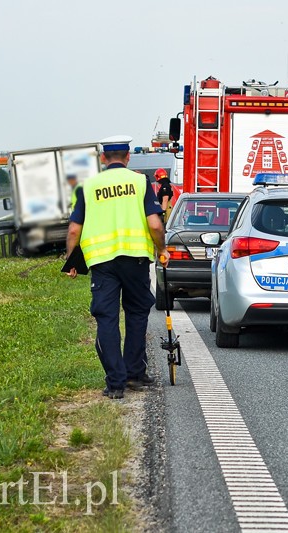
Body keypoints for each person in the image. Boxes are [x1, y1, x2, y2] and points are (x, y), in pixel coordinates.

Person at [65, 135, 169, 400]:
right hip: (135, 260)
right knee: (136, 314)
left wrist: (71, 261)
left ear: (103, 158)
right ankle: (135, 374)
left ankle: (115, 383)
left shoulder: (88, 187)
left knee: (107, 319)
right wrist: (162, 249)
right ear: (128, 157)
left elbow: (74, 229)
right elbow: (155, 224)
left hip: (102, 263)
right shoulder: (140, 182)